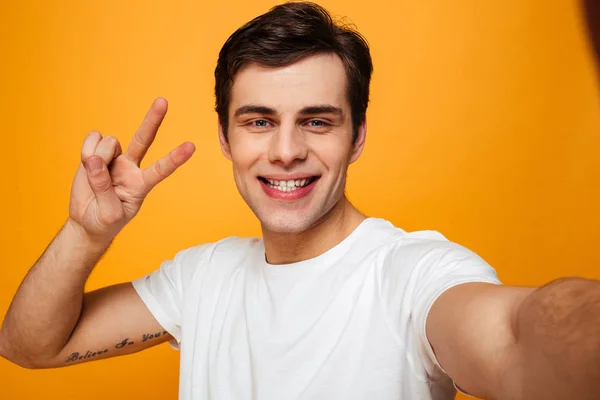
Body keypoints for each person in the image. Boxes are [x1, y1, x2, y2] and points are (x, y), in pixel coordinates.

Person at [1, 2, 599, 399]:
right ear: (224, 138)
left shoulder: (414, 275)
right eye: (259, 122)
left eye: (316, 121)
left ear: (357, 136)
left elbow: (519, 341)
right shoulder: (199, 279)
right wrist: (87, 234)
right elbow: (28, 347)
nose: (285, 151)